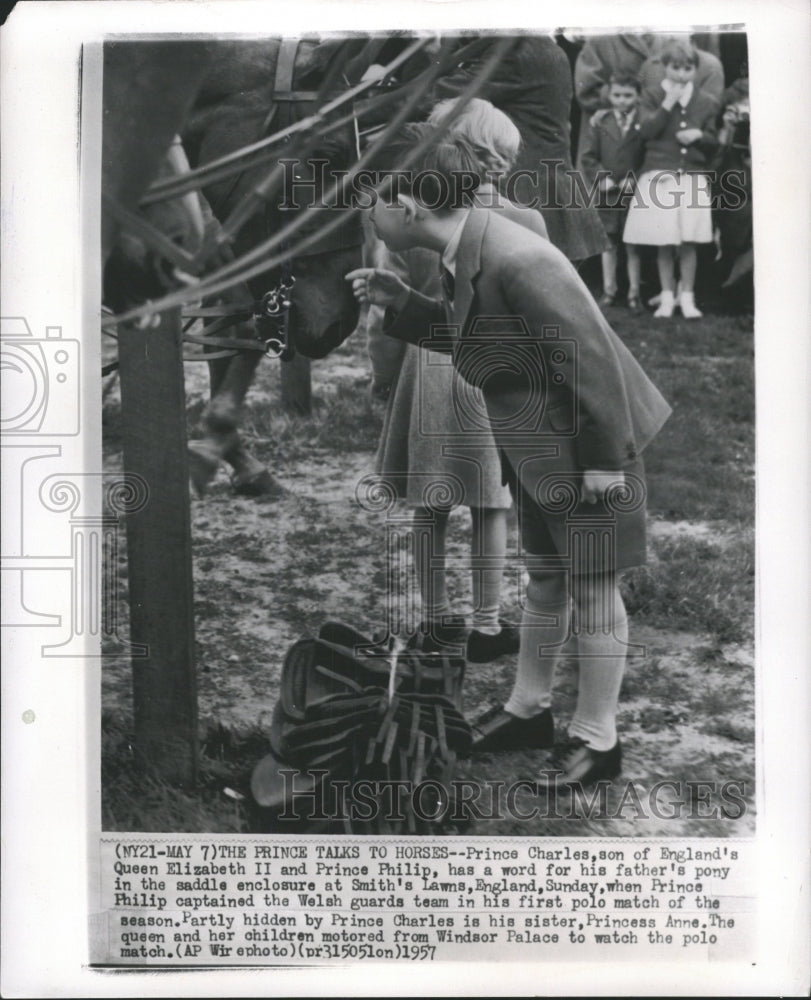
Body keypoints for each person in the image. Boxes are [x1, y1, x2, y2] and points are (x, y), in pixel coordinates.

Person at [347, 128, 672, 787]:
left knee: (591, 585)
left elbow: (591, 359)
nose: (368, 213)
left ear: (407, 208)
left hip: (587, 444)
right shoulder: (467, 243)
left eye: (373, 201)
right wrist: (402, 305)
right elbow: (485, 338)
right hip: (540, 441)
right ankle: (527, 708)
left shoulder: (517, 256)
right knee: (548, 579)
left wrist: (603, 463)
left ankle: (596, 739)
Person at [367, 104, 548, 663]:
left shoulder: (408, 216)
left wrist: (382, 380)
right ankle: (489, 624)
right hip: (494, 370)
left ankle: (435, 619)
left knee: (431, 501)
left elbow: (384, 312)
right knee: (491, 504)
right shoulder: (526, 220)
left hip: (429, 362)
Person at [622, 38, 718, 319]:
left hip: (690, 178)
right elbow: (646, 132)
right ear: (664, 67)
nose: (681, 73)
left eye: (688, 68)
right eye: (676, 67)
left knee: (688, 241)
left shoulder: (706, 101)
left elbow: (715, 142)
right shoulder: (652, 95)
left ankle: (687, 298)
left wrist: (700, 136)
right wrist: (667, 105)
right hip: (660, 176)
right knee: (664, 240)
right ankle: (666, 297)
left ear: (695, 70)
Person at [579, 72, 645, 311]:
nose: (622, 101)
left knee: (633, 244)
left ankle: (634, 293)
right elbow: (588, 156)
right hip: (608, 194)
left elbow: (648, 157)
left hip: (633, 194)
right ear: (610, 95)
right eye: (617, 95)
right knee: (609, 244)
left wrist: (635, 180)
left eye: (628, 95)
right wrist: (601, 178)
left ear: (638, 96)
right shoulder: (600, 122)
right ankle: (609, 291)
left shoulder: (644, 122)